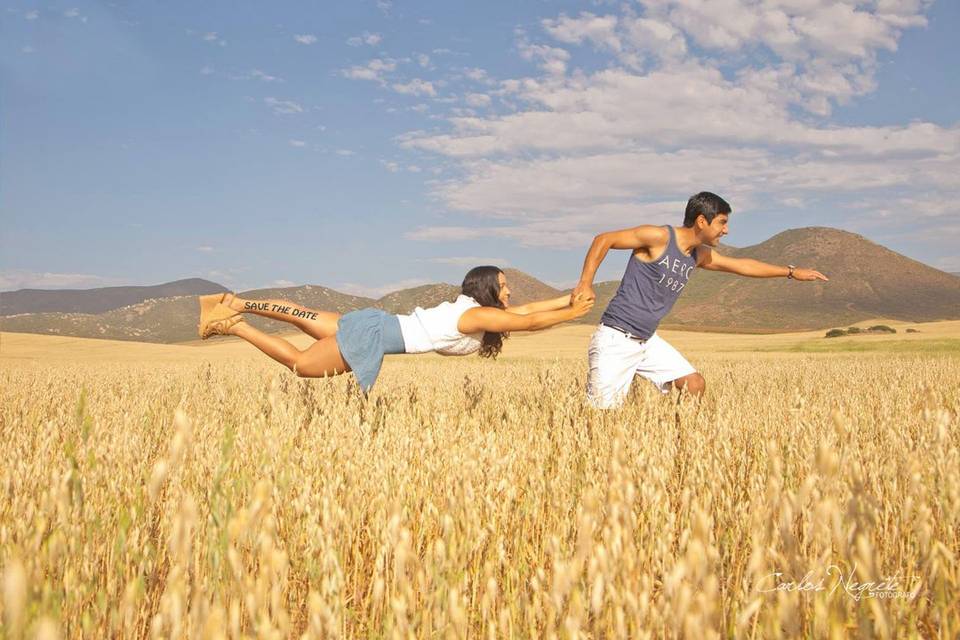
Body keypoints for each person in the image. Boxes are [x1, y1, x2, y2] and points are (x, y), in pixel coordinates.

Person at [572, 191, 829, 409]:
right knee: (600, 419)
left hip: (646, 340)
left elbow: (742, 266)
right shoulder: (659, 237)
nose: (726, 230)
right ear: (702, 221)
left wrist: (791, 272)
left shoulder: (697, 255)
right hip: (616, 338)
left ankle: (679, 447)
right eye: (722, 223)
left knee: (693, 383)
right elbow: (604, 239)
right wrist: (585, 283)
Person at [198, 266, 594, 393]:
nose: (509, 291)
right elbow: (525, 322)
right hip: (374, 336)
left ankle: (232, 302)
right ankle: (234, 325)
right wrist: (571, 316)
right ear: (489, 288)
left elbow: (525, 310)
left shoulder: (472, 308)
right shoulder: (475, 317)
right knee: (302, 366)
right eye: (504, 286)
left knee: (300, 314)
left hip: (375, 321)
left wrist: (567, 299)